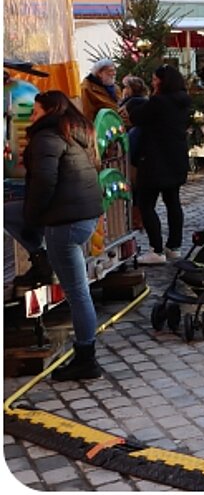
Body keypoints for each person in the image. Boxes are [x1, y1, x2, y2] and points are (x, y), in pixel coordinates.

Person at [3, 91, 105, 380]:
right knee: (8, 213)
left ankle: (86, 359)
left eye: (35, 111)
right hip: (81, 216)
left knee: (77, 293)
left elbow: (45, 181)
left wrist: (34, 217)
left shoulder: (47, 136)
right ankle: (40, 257)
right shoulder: (74, 130)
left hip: (65, 222)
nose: (32, 116)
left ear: (48, 110)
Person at [128, 66, 191, 265]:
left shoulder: (158, 101)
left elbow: (137, 117)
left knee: (146, 204)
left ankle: (156, 249)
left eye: (155, 79)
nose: (153, 83)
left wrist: (133, 105)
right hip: (176, 159)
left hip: (155, 161)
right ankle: (174, 246)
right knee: (173, 202)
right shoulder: (183, 100)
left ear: (162, 82)